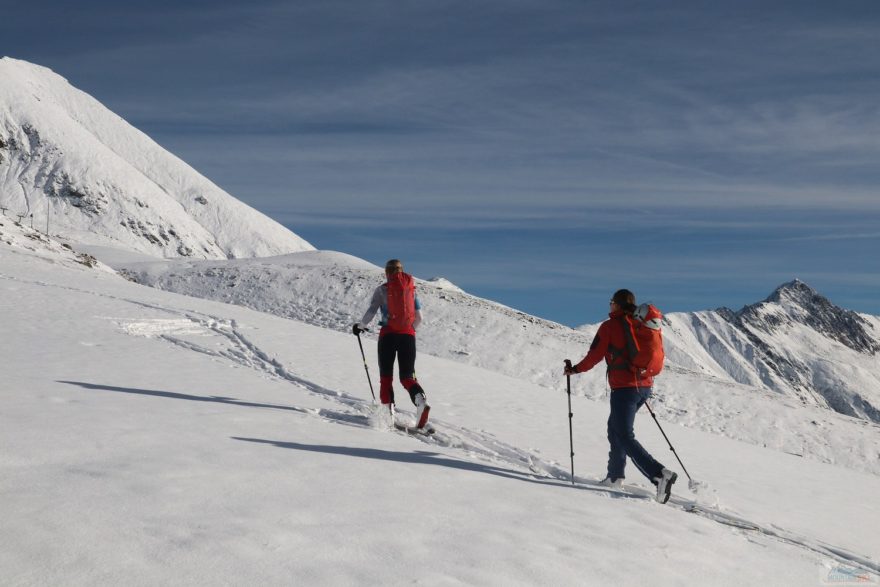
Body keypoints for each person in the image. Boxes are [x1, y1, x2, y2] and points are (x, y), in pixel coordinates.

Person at [564, 289, 678, 503]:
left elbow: (595, 355)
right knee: (615, 430)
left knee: (624, 434)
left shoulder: (610, 326)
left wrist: (575, 370)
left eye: (610, 302)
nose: (609, 306)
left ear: (616, 304)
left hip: (625, 388)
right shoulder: (640, 323)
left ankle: (659, 475)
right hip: (644, 386)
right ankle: (615, 476)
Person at [353, 259, 431, 428]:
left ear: (386, 272)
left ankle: (388, 413)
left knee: (386, 378)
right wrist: (410, 332)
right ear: (402, 271)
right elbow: (420, 318)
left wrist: (360, 327)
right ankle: (420, 400)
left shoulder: (382, 290)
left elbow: (372, 310)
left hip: (387, 336)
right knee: (407, 377)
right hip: (408, 336)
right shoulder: (411, 291)